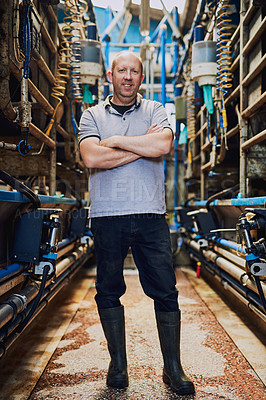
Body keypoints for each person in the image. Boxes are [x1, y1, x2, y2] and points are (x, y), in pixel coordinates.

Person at [79, 51, 195, 396]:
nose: (128, 77)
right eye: (122, 71)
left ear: (141, 77)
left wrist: (115, 142)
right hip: (107, 214)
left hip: (150, 214)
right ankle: (118, 365)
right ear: (110, 75)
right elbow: (90, 156)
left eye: (134, 71)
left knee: (166, 291)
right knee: (109, 290)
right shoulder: (91, 115)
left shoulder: (156, 110)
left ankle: (172, 369)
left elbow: (163, 143)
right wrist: (142, 148)